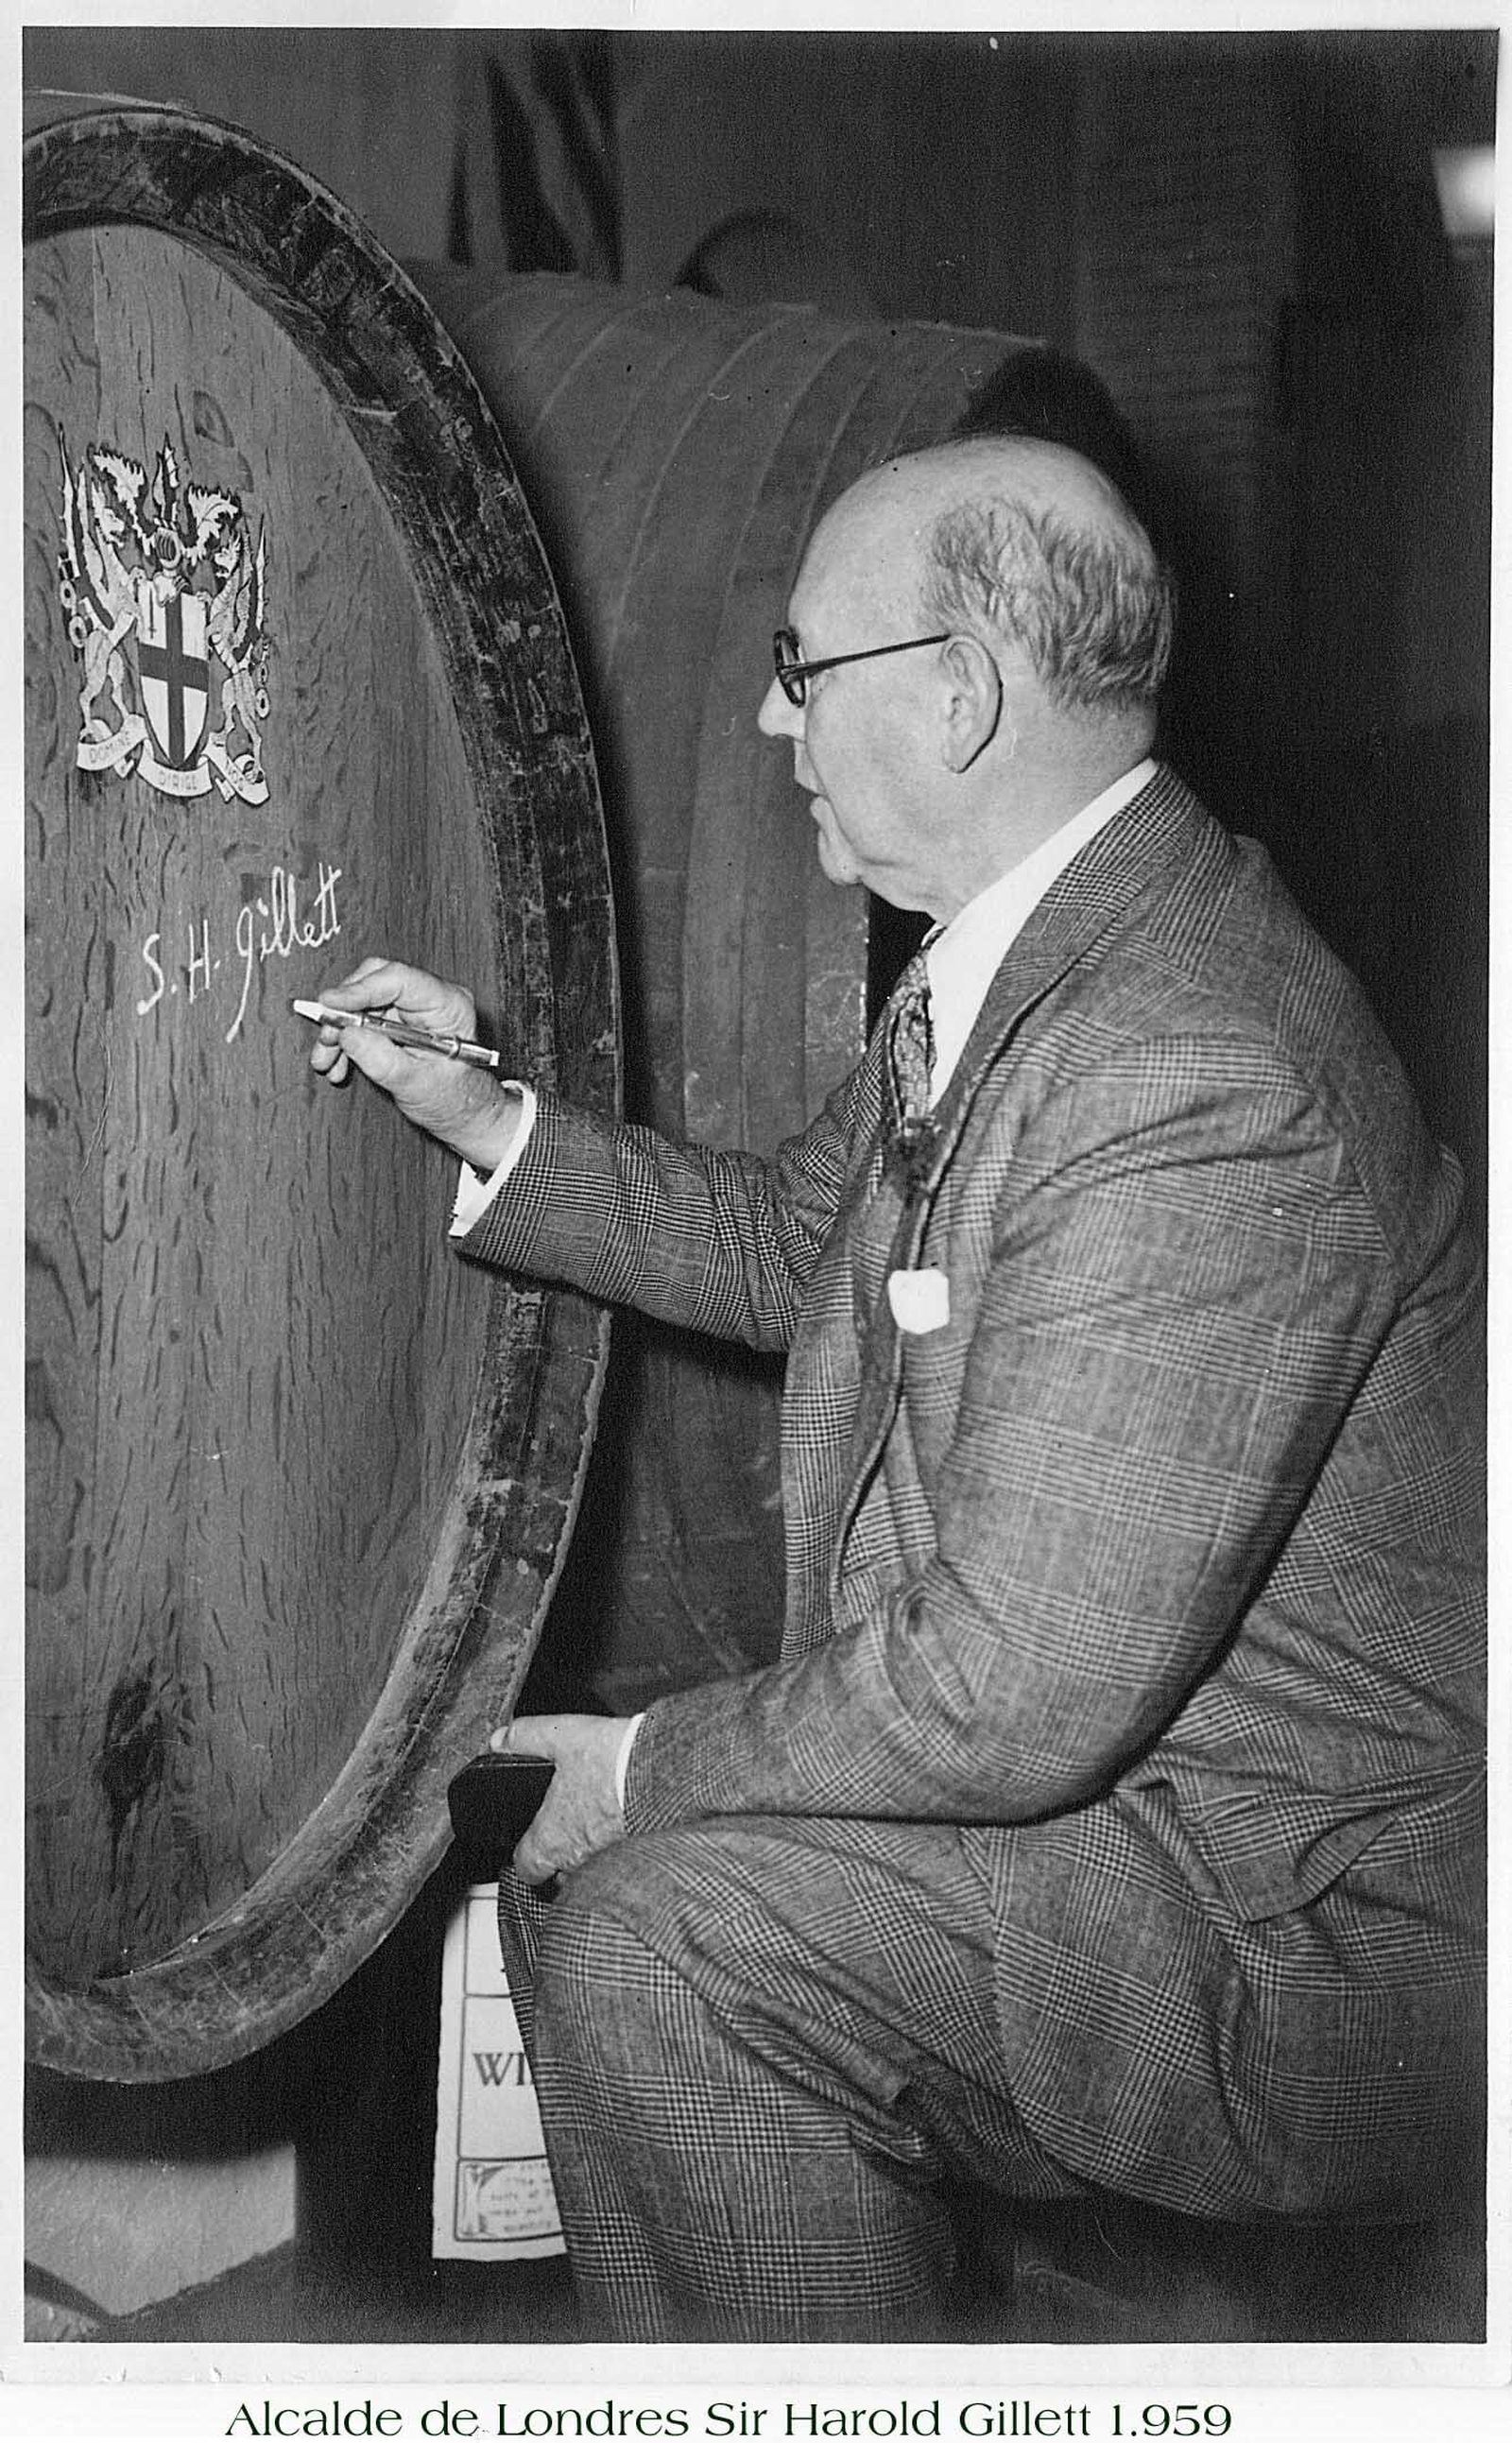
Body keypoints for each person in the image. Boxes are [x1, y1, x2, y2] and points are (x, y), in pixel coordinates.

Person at [307, 436, 1485, 2344]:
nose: (774, 722)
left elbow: (1006, 1693)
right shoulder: (1035, 948)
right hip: (1160, 1824)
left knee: (669, 1941)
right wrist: (478, 1113)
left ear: (958, 694)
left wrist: (640, 1769)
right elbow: (799, 1243)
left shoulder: (1183, 1060)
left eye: (802, 666)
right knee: (608, 1904)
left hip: (1313, 1927)